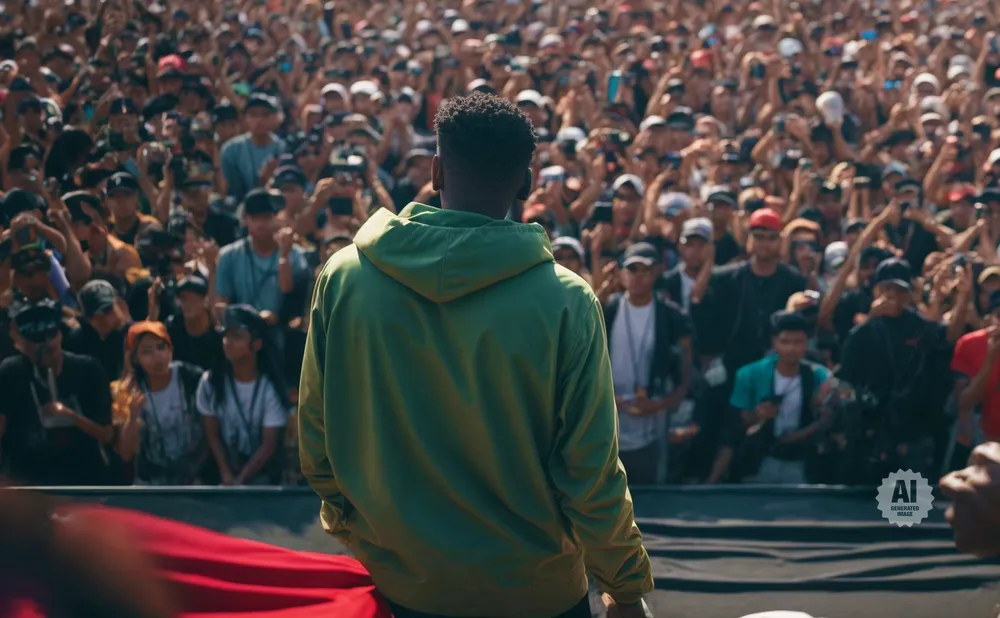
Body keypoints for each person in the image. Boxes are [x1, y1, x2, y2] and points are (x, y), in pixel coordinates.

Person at [299, 93, 652, 618]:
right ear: (526, 183)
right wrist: (625, 586)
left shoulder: (345, 276)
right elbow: (589, 471)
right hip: (537, 595)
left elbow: (316, 434)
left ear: (436, 170)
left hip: (399, 586)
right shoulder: (567, 300)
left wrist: (364, 531)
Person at [838, 257, 953, 483]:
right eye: (886, 288)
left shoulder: (919, 326)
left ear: (908, 294)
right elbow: (845, 374)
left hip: (911, 429)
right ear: (876, 291)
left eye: (898, 290)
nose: (892, 295)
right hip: (871, 426)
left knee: (906, 510)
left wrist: (946, 300)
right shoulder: (864, 328)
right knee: (861, 505)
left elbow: (944, 340)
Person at [0, 299, 115, 485]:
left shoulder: (88, 369)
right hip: (29, 482)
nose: (44, 348)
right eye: (36, 343)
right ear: (20, 344)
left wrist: (70, 416)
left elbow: (107, 434)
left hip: (82, 479)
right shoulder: (11, 372)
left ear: (60, 336)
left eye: (51, 342)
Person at [605, 241, 693, 485]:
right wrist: (608, 400)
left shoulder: (673, 316)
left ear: (657, 273)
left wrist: (660, 404)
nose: (639, 277)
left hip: (654, 424)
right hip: (608, 422)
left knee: (651, 487)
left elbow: (685, 377)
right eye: (633, 269)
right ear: (622, 273)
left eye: (647, 270)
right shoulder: (606, 309)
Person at [728, 311, 833, 484]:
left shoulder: (819, 375)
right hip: (760, 457)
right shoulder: (749, 374)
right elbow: (739, 421)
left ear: (807, 344)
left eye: (798, 342)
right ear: (774, 343)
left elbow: (827, 416)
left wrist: (801, 434)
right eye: (785, 342)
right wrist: (759, 416)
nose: (791, 348)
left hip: (801, 458)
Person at [197, 305, 289, 486]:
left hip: (260, 478)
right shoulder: (211, 382)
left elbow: (268, 445)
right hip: (221, 474)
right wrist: (226, 474)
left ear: (256, 344)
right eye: (225, 335)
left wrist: (241, 480)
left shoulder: (269, 389)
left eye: (236, 337)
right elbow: (212, 434)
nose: (227, 342)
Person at [112, 320, 207, 485]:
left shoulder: (192, 379)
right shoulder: (126, 391)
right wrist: (133, 418)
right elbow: (125, 453)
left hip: (195, 478)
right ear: (135, 359)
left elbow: (210, 433)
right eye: (147, 352)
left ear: (171, 349)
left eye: (161, 347)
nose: (157, 357)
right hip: (151, 482)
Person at [215, 188, 309, 315]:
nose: (261, 223)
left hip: (280, 326)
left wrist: (284, 256)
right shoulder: (228, 256)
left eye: (266, 217)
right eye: (255, 218)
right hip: (242, 328)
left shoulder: (294, 254)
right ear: (245, 218)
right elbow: (222, 303)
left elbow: (288, 290)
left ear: (276, 218)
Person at [63, 279, 129, 383]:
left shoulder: (131, 334)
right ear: (88, 318)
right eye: (98, 315)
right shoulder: (76, 341)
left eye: (109, 309)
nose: (107, 319)